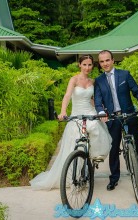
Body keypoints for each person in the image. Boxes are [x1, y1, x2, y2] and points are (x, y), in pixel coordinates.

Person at [30, 54, 112, 190]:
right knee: (74, 144)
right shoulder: (73, 79)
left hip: (90, 112)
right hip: (77, 114)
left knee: (96, 128)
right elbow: (67, 95)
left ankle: (94, 158)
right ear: (79, 65)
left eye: (90, 64)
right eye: (84, 64)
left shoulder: (93, 81)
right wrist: (63, 111)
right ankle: (73, 173)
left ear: (92, 65)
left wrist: (101, 110)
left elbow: (92, 100)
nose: (87, 67)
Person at [94, 50, 138, 191]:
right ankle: (114, 178)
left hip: (129, 114)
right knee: (113, 149)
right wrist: (101, 112)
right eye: (102, 61)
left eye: (107, 60)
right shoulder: (99, 80)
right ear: (100, 64)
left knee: (136, 143)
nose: (105, 63)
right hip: (112, 118)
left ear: (113, 60)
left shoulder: (124, 74)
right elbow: (97, 100)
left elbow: (136, 91)